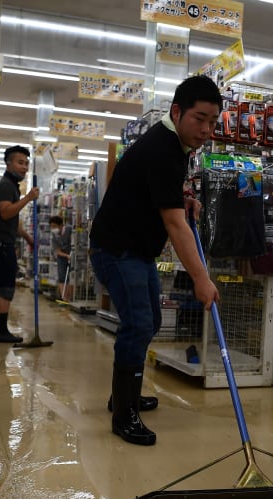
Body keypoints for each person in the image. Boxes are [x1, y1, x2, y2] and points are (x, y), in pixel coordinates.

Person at [89, 75, 222, 446]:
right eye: (200, 119)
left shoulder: (173, 145)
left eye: (213, 121)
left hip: (136, 250)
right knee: (138, 323)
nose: (207, 129)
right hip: (117, 251)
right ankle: (123, 415)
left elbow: (161, 196)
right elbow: (174, 225)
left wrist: (182, 198)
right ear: (176, 112)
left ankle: (124, 395)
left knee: (150, 321)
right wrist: (201, 278)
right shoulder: (162, 149)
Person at [0, 145, 38, 343]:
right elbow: (6, 211)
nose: (24, 167)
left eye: (26, 163)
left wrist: (28, 238)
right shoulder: (6, 185)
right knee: (5, 288)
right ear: (8, 163)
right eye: (20, 162)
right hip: (0, 246)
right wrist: (29, 198)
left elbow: (11, 219)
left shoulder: (11, 185)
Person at [49, 215, 73, 302]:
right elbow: (57, 250)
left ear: (61, 225)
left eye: (54, 226)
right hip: (62, 256)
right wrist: (66, 256)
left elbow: (74, 244)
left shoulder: (70, 230)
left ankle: (69, 297)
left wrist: (71, 255)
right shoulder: (54, 235)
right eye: (51, 226)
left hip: (72, 255)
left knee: (71, 276)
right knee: (62, 276)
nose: (52, 228)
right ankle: (64, 298)